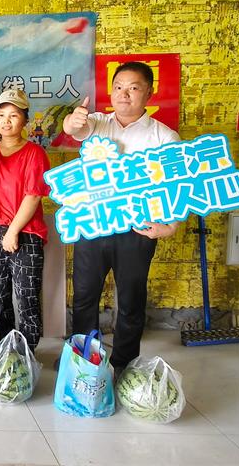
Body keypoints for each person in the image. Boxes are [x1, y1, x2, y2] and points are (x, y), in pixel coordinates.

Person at [63, 61, 179, 372]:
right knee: (84, 296)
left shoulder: (164, 137)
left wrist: (171, 226)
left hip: (137, 229)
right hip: (93, 224)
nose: (123, 94)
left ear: (149, 93)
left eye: (133, 88)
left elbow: (175, 185)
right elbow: (74, 129)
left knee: (130, 301)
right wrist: (72, 121)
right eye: (118, 87)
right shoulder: (98, 122)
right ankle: (84, 362)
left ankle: (124, 365)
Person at [0, 88, 50, 351]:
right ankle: (4, 350)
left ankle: (27, 351)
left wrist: (13, 231)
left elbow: (33, 195)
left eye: (14, 115)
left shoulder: (35, 153)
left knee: (26, 296)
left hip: (26, 233)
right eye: (2, 114)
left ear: (25, 120)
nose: (6, 120)